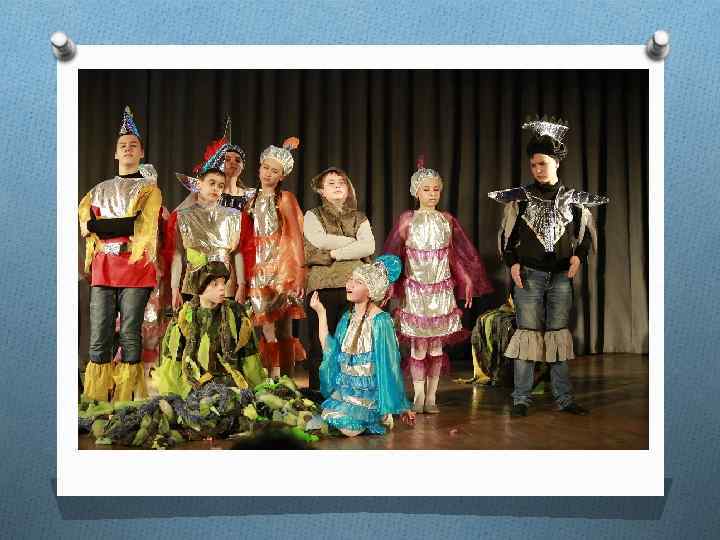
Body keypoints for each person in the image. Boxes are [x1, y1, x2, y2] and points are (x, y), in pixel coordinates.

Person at [488, 116, 609, 417]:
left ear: (556, 163)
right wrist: (513, 264)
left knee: (557, 336)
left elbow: (585, 235)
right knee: (527, 335)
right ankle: (521, 398)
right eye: (533, 165)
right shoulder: (521, 200)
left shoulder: (573, 201)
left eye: (542, 164)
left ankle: (564, 398)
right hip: (528, 276)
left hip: (560, 277)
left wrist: (579, 256)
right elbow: (507, 239)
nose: (537, 170)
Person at [384, 158, 493, 414]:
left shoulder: (446, 220)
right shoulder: (408, 220)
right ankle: (419, 396)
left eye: (436, 189)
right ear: (416, 191)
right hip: (416, 292)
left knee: (435, 347)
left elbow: (454, 256)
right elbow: (395, 255)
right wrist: (389, 282)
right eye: (426, 189)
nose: (432, 194)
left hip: (440, 293)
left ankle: (432, 397)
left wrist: (466, 279)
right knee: (418, 347)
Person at [78, 106, 162, 402]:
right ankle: (97, 399)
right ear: (115, 153)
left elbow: (138, 226)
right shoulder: (97, 190)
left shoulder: (150, 190)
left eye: (133, 145)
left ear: (141, 153)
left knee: (129, 333)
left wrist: (99, 225)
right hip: (104, 269)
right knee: (99, 335)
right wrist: (100, 226)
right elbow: (85, 226)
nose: (128, 148)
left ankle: (127, 399)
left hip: (136, 270)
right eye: (123, 145)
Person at [309, 255, 415, 436]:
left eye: (358, 282)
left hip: (369, 398)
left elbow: (390, 366)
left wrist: (402, 407)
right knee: (327, 416)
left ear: (370, 291)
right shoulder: (347, 318)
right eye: (350, 279)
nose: (349, 285)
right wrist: (321, 312)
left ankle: (381, 414)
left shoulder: (380, 321)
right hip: (348, 394)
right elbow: (329, 348)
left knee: (345, 428)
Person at [303, 166, 375, 390]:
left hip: (355, 286)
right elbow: (319, 240)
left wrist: (334, 254)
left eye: (341, 182)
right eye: (331, 183)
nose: (337, 186)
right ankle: (319, 391)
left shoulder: (359, 217)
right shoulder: (313, 215)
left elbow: (369, 246)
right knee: (322, 340)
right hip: (323, 285)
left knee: (353, 340)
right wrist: (353, 243)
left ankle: (351, 390)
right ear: (321, 190)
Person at [152, 261, 265, 398]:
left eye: (223, 283)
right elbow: (173, 359)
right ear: (199, 287)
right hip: (194, 386)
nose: (222, 288)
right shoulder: (183, 316)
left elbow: (249, 354)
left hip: (230, 385)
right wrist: (171, 396)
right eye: (214, 284)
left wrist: (257, 392)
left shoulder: (235, 313)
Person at [246, 137, 306, 378]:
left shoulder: (284, 198)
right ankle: (270, 377)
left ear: (282, 175)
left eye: (275, 171)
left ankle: (287, 379)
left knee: (283, 329)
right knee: (265, 327)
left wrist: (300, 271)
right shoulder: (251, 199)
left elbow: (296, 235)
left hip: (281, 269)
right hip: (258, 270)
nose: (268, 174)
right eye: (266, 168)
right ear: (259, 168)